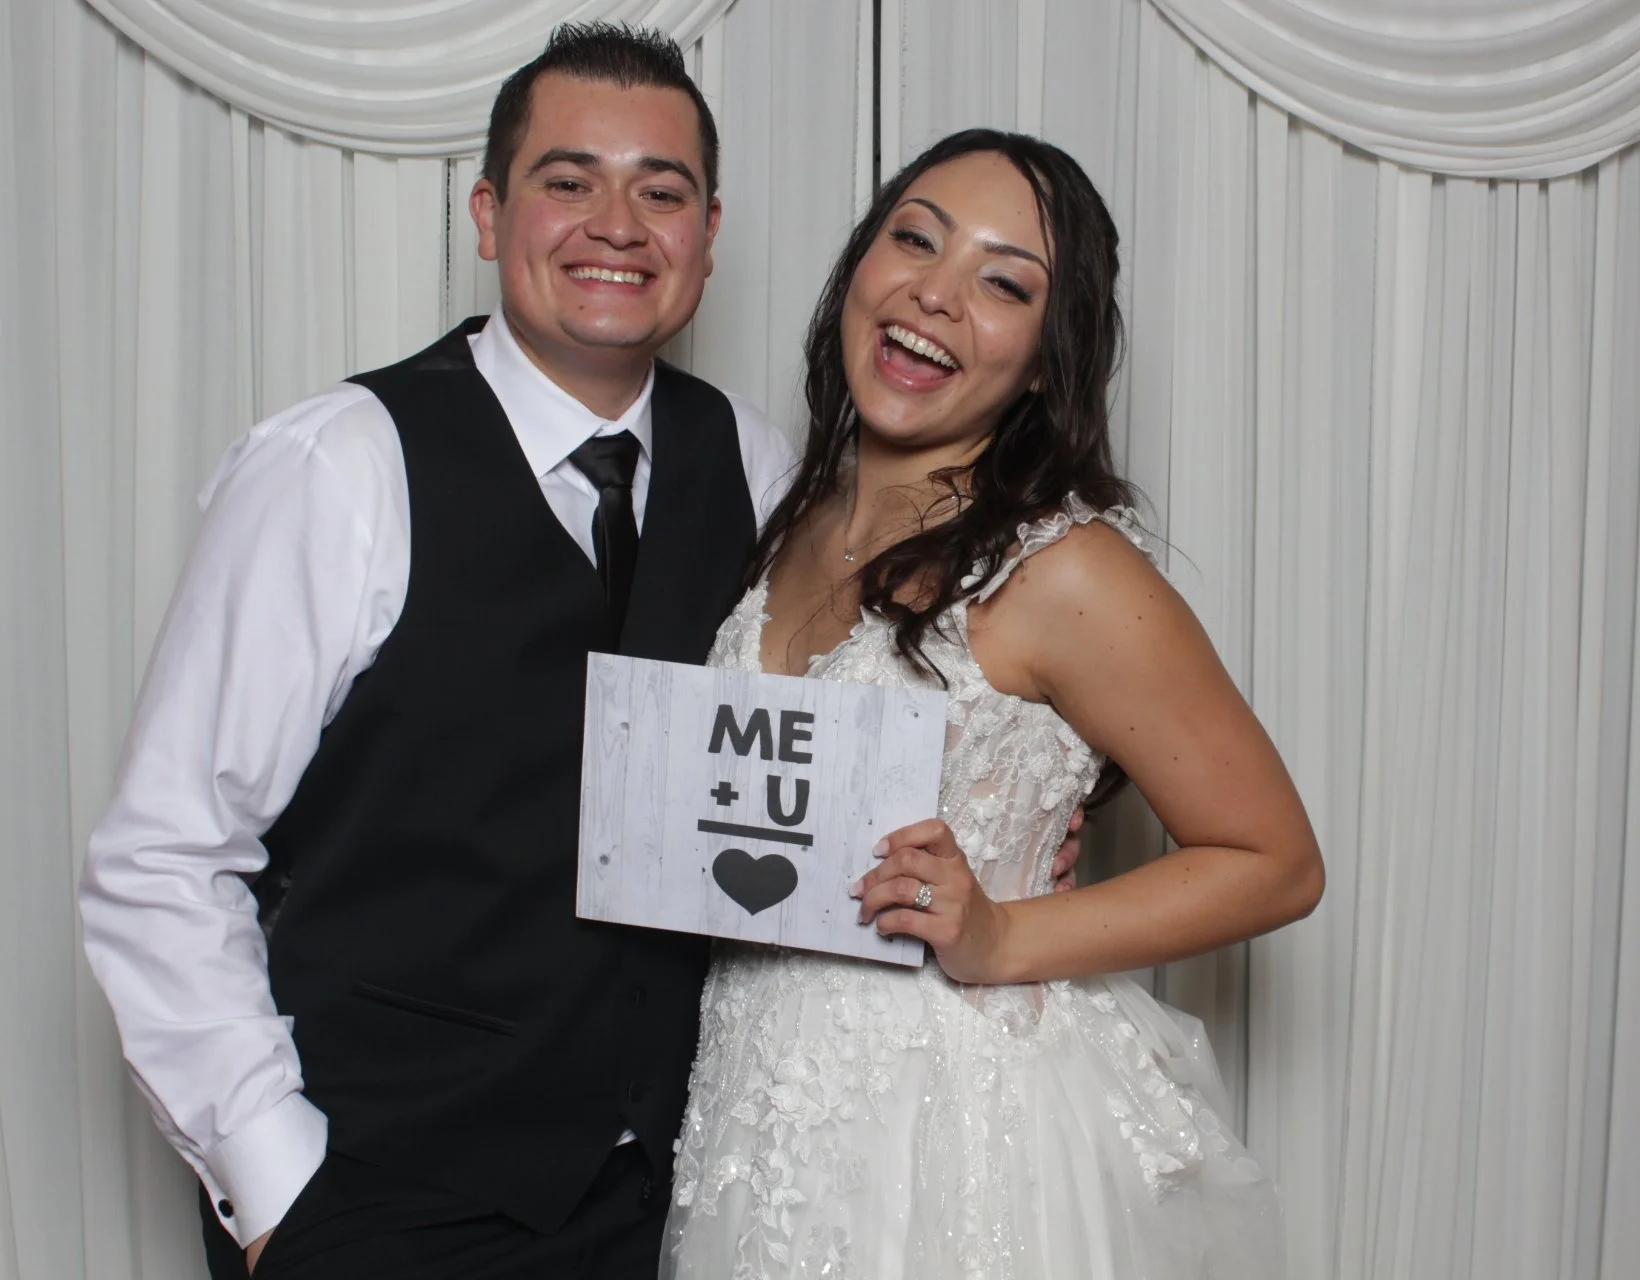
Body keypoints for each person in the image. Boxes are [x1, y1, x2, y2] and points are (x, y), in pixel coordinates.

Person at [79, 24, 1096, 1280]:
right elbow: (164, 854)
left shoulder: (763, 474)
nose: (617, 224)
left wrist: (1030, 819)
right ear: (488, 213)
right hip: (378, 1187)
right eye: (569, 180)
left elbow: (857, 721)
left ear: (707, 236)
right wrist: (279, 1186)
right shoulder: (336, 465)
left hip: (657, 1200)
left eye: (660, 193)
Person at [660, 129, 1325, 1279]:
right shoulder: (789, 514)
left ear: (1048, 361)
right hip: (755, 1106)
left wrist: (1006, 931)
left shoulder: (1065, 572)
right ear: (859, 266)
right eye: (915, 239)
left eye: (1004, 282)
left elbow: (1275, 859)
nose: (937, 292)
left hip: (952, 1130)